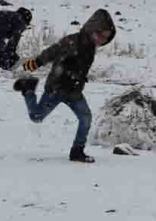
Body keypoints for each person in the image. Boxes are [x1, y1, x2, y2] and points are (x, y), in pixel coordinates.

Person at [13, 9, 116, 163]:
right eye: (101, 35)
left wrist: (79, 76)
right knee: (37, 116)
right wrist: (36, 62)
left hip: (74, 91)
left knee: (85, 118)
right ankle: (28, 88)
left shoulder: (90, 46)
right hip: (57, 88)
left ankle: (77, 151)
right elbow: (52, 51)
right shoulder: (72, 41)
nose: (102, 40)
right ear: (92, 29)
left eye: (105, 38)